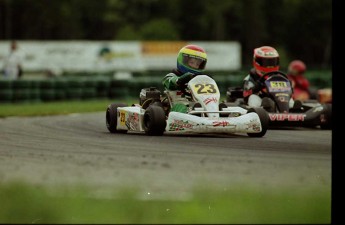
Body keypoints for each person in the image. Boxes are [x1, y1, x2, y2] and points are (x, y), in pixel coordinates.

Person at [242, 46, 294, 111]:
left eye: (272, 61)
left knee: (291, 102)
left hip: (277, 99)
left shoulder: (280, 76)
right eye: (266, 62)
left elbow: (289, 92)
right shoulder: (250, 78)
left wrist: (289, 87)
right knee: (253, 99)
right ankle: (257, 115)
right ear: (257, 61)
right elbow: (245, 94)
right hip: (260, 99)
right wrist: (256, 88)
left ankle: (294, 113)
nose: (270, 65)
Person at [162, 44, 207, 112]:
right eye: (192, 62)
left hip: (197, 105)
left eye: (197, 64)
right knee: (182, 108)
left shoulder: (200, 80)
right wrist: (179, 80)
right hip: (178, 104)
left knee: (209, 106)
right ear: (183, 61)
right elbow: (169, 81)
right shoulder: (172, 76)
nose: (195, 66)